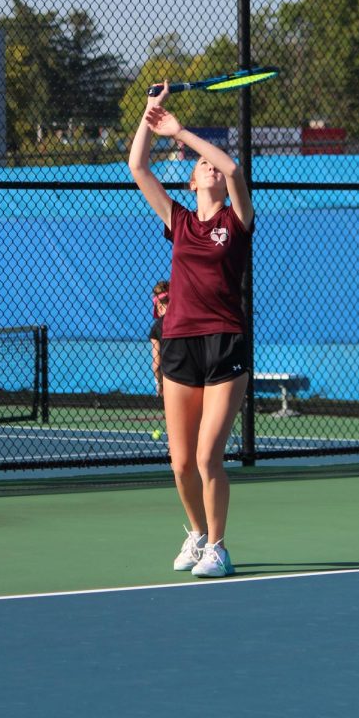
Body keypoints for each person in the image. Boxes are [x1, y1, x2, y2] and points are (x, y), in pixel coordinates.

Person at [129, 82, 253, 578]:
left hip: (225, 342)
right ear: (190, 183)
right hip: (180, 342)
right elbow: (138, 167)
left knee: (207, 458)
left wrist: (182, 132)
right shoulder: (178, 221)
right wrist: (150, 112)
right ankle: (197, 533)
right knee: (180, 464)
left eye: (210, 166)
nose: (208, 167)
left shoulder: (238, 219)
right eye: (198, 165)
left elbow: (233, 168)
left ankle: (219, 547)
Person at [149, 279, 170, 396]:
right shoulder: (185, 323)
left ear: (159, 307)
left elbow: (156, 364)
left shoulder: (156, 328)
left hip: (169, 375)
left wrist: (159, 382)